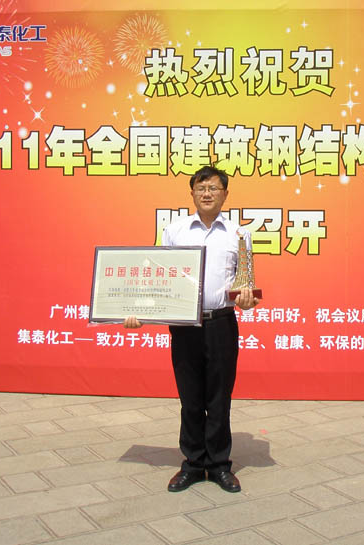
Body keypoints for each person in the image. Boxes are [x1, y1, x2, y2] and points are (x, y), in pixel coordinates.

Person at [124, 165, 259, 493]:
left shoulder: (239, 234)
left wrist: (246, 299)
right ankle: (194, 464)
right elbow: (160, 278)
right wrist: (139, 311)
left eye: (213, 188)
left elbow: (246, 282)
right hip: (184, 325)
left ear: (225, 194)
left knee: (220, 397)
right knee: (190, 397)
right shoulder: (175, 231)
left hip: (221, 323)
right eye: (201, 188)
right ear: (193, 194)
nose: (207, 194)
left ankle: (220, 465)